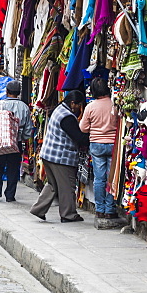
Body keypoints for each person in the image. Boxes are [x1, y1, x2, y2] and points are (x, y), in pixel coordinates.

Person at [30, 91, 90, 223]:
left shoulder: (58, 110)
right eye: (79, 105)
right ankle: (68, 214)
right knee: (67, 186)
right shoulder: (67, 117)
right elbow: (79, 138)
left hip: (49, 155)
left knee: (52, 184)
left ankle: (38, 209)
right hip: (61, 158)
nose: (79, 108)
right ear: (72, 103)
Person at [79, 78, 124, 225]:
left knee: (99, 178)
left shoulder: (90, 107)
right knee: (111, 178)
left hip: (96, 144)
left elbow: (83, 128)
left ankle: (100, 210)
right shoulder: (114, 104)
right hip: (113, 145)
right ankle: (110, 211)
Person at [0, 80, 31, 202]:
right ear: (18, 93)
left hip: (0, 141)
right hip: (15, 142)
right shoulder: (24, 107)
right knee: (13, 168)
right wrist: (22, 138)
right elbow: (28, 129)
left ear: (6, 92)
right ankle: (10, 195)